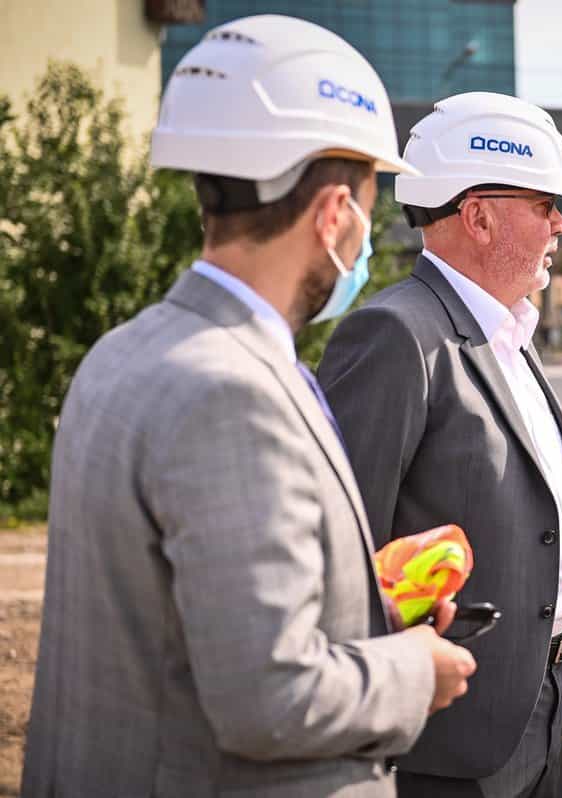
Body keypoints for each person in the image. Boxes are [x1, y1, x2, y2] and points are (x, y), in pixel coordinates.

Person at [20, 16, 476, 798]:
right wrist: (412, 670)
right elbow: (269, 701)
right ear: (335, 214)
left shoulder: (124, 353)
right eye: (370, 203)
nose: (369, 237)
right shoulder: (232, 394)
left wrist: (354, 595)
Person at [317, 92, 562, 797]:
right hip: (448, 730)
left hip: (541, 704)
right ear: (478, 214)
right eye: (545, 204)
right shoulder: (397, 334)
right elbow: (340, 547)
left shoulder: (506, 331)